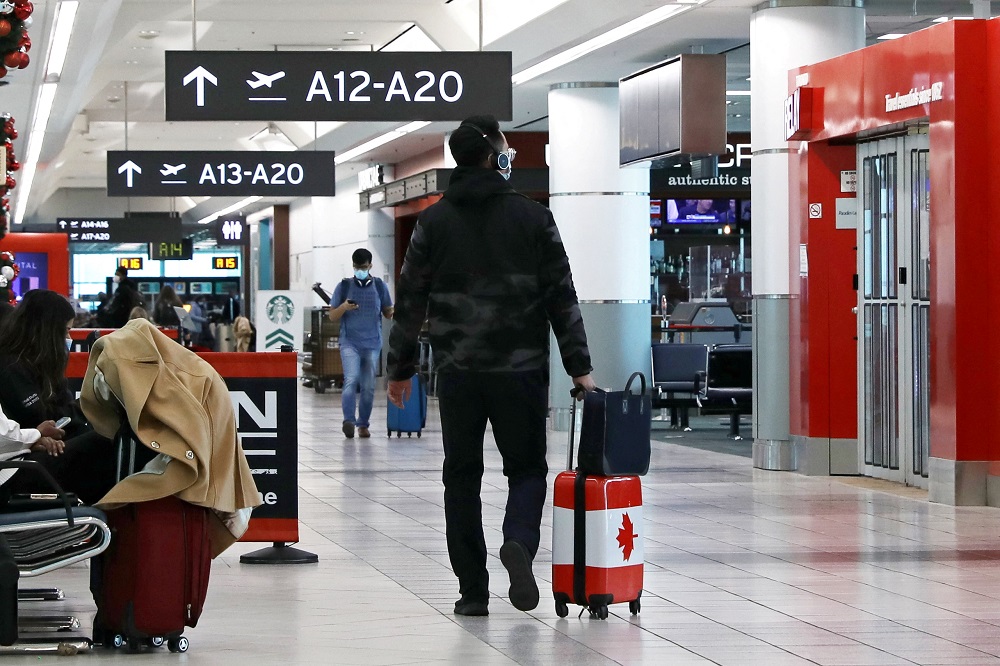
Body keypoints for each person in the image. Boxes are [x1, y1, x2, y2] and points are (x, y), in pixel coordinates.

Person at [385, 115, 596, 617]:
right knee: (526, 469)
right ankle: (518, 542)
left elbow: (411, 299)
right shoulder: (532, 217)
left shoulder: (433, 222)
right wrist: (579, 367)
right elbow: (560, 297)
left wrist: (400, 369)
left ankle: (472, 591)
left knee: (461, 476)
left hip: (458, 371)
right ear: (494, 153)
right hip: (520, 370)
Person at [0, 289, 118, 504]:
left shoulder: (41, 366)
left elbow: (61, 411)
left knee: (107, 438)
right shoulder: (9, 367)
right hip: (14, 469)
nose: (69, 339)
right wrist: (36, 435)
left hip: (27, 455)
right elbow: (27, 422)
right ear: (47, 330)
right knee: (104, 444)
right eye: (65, 331)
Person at [328, 249, 393, 439]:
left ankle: (363, 424)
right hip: (350, 342)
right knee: (351, 379)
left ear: (370, 266)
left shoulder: (379, 286)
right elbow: (332, 316)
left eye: (363, 267)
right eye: (357, 267)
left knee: (368, 386)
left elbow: (388, 312)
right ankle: (348, 420)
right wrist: (344, 307)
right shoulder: (344, 286)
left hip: (372, 343)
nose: (360, 271)